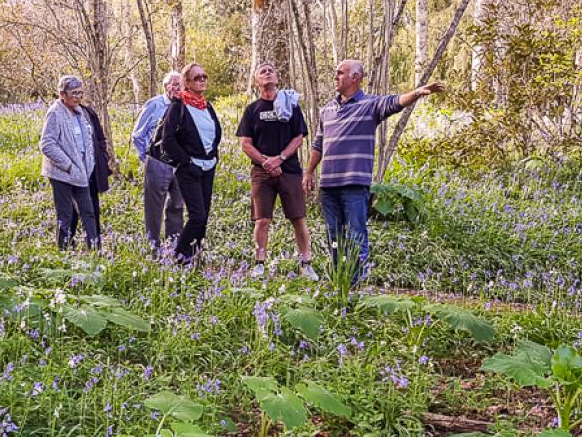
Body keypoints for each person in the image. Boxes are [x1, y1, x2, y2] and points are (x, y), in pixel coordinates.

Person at [303, 59, 443, 283]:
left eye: (340, 73)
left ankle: (355, 281)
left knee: (357, 234)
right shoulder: (327, 109)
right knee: (334, 236)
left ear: (355, 78)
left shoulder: (370, 105)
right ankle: (339, 278)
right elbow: (318, 144)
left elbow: (395, 102)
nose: (335, 77)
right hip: (328, 186)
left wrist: (417, 93)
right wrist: (309, 172)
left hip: (354, 186)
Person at [237, 62, 315, 279]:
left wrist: (279, 159)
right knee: (262, 219)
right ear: (257, 81)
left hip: (289, 170)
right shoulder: (252, 110)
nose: (268, 73)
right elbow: (245, 143)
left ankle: (305, 263)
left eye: (271, 70)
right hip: (262, 173)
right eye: (263, 71)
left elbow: (299, 137)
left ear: (277, 78)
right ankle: (259, 263)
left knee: (297, 217)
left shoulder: (290, 106)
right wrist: (266, 163)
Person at [161, 63, 221, 264]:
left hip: (208, 167)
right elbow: (168, 140)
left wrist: (213, 157)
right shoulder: (178, 106)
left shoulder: (207, 106)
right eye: (197, 78)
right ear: (187, 82)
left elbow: (215, 134)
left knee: (204, 218)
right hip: (189, 169)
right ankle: (179, 258)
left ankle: (195, 257)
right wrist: (186, 161)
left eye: (204, 76)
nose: (202, 80)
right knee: (197, 216)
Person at [39, 75, 100, 250]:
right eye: (74, 94)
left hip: (81, 173)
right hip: (62, 174)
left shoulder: (80, 112)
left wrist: (89, 164)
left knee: (88, 212)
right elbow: (47, 144)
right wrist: (68, 165)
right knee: (65, 215)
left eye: (80, 93)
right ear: (62, 94)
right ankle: (63, 252)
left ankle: (94, 251)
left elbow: (87, 142)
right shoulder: (55, 113)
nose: (78, 97)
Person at [131, 71, 184, 251]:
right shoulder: (154, 105)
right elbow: (138, 134)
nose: (178, 88)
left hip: (179, 164)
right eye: (175, 85)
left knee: (177, 205)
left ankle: (174, 247)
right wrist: (147, 157)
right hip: (157, 163)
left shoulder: (186, 106)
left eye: (181, 85)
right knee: (154, 208)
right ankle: (154, 248)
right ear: (166, 86)